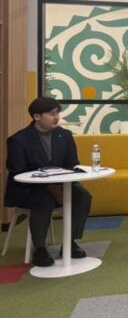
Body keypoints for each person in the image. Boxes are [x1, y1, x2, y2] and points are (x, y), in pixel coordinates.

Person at [4, 97, 92, 267]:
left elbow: (72, 164)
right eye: (51, 114)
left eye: (57, 113)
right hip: (29, 189)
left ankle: (70, 242)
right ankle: (40, 249)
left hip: (61, 185)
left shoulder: (64, 135)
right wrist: (49, 187)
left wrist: (59, 185)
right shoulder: (19, 140)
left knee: (83, 196)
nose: (56, 117)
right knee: (43, 200)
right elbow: (18, 171)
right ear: (37, 116)